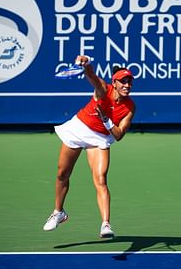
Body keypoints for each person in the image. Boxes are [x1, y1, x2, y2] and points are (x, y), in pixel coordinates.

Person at [43, 55, 135, 238]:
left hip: (100, 138)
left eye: (129, 82)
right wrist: (86, 63)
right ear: (114, 83)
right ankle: (58, 212)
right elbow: (91, 75)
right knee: (62, 174)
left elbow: (119, 135)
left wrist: (106, 121)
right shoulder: (102, 89)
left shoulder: (130, 107)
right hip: (79, 129)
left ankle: (106, 224)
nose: (127, 85)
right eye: (123, 81)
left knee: (100, 179)